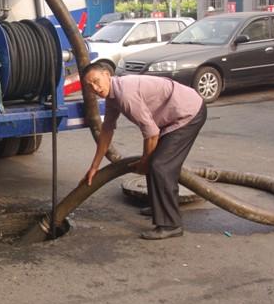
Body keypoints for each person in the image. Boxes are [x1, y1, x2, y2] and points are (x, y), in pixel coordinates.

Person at [81, 63, 207, 240]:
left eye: (96, 81)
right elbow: (107, 130)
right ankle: (159, 208)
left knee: (160, 166)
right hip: (171, 118)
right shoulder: (112, 96)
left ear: (107, 74)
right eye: (89, 86)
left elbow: (151, 132)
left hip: (188, 113)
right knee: (154, 160)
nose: (95, 88)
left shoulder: (125, 94)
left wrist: (145, 162)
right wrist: (94, 166)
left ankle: (171, 224)